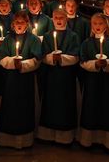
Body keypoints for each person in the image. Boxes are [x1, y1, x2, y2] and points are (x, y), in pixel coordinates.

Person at [77, 13, 109, 153]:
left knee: (107, 108)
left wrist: (107, 64)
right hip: (91, 82)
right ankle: (89, 140)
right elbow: (83, 62)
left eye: (100, 24)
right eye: (95, 24)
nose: (98, 27)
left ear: (106, 25)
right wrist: (95, 64)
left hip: (107, 83)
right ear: (91, 26)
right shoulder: (86, 43)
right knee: (91, 107)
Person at [0, 11, 42, 149]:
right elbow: (2, 58)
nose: (19, 25)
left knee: (25, 106)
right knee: (10, 106)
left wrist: (23, 65)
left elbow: (37, 60)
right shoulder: (8, 39)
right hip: (11, 80)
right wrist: (12, 62)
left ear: (27, 24)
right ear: (13, 24)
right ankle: (7, 140)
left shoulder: (33, 39)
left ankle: (25, 140)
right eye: (17, 22)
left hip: (26, 79)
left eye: (22, 23)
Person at [37, 8, 80, 144]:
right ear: (52, 19)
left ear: (66, 18)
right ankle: (48, 135)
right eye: (56, 18)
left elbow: (76, 56)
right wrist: (51, 58)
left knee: (65, 104)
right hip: (51, 76)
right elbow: (42, 56)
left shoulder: (73, 36)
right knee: (50, 103)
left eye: (61, 18)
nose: (59, 21)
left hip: (66, 76)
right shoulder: (48, 36)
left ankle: (65, 137)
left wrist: (61, 59)